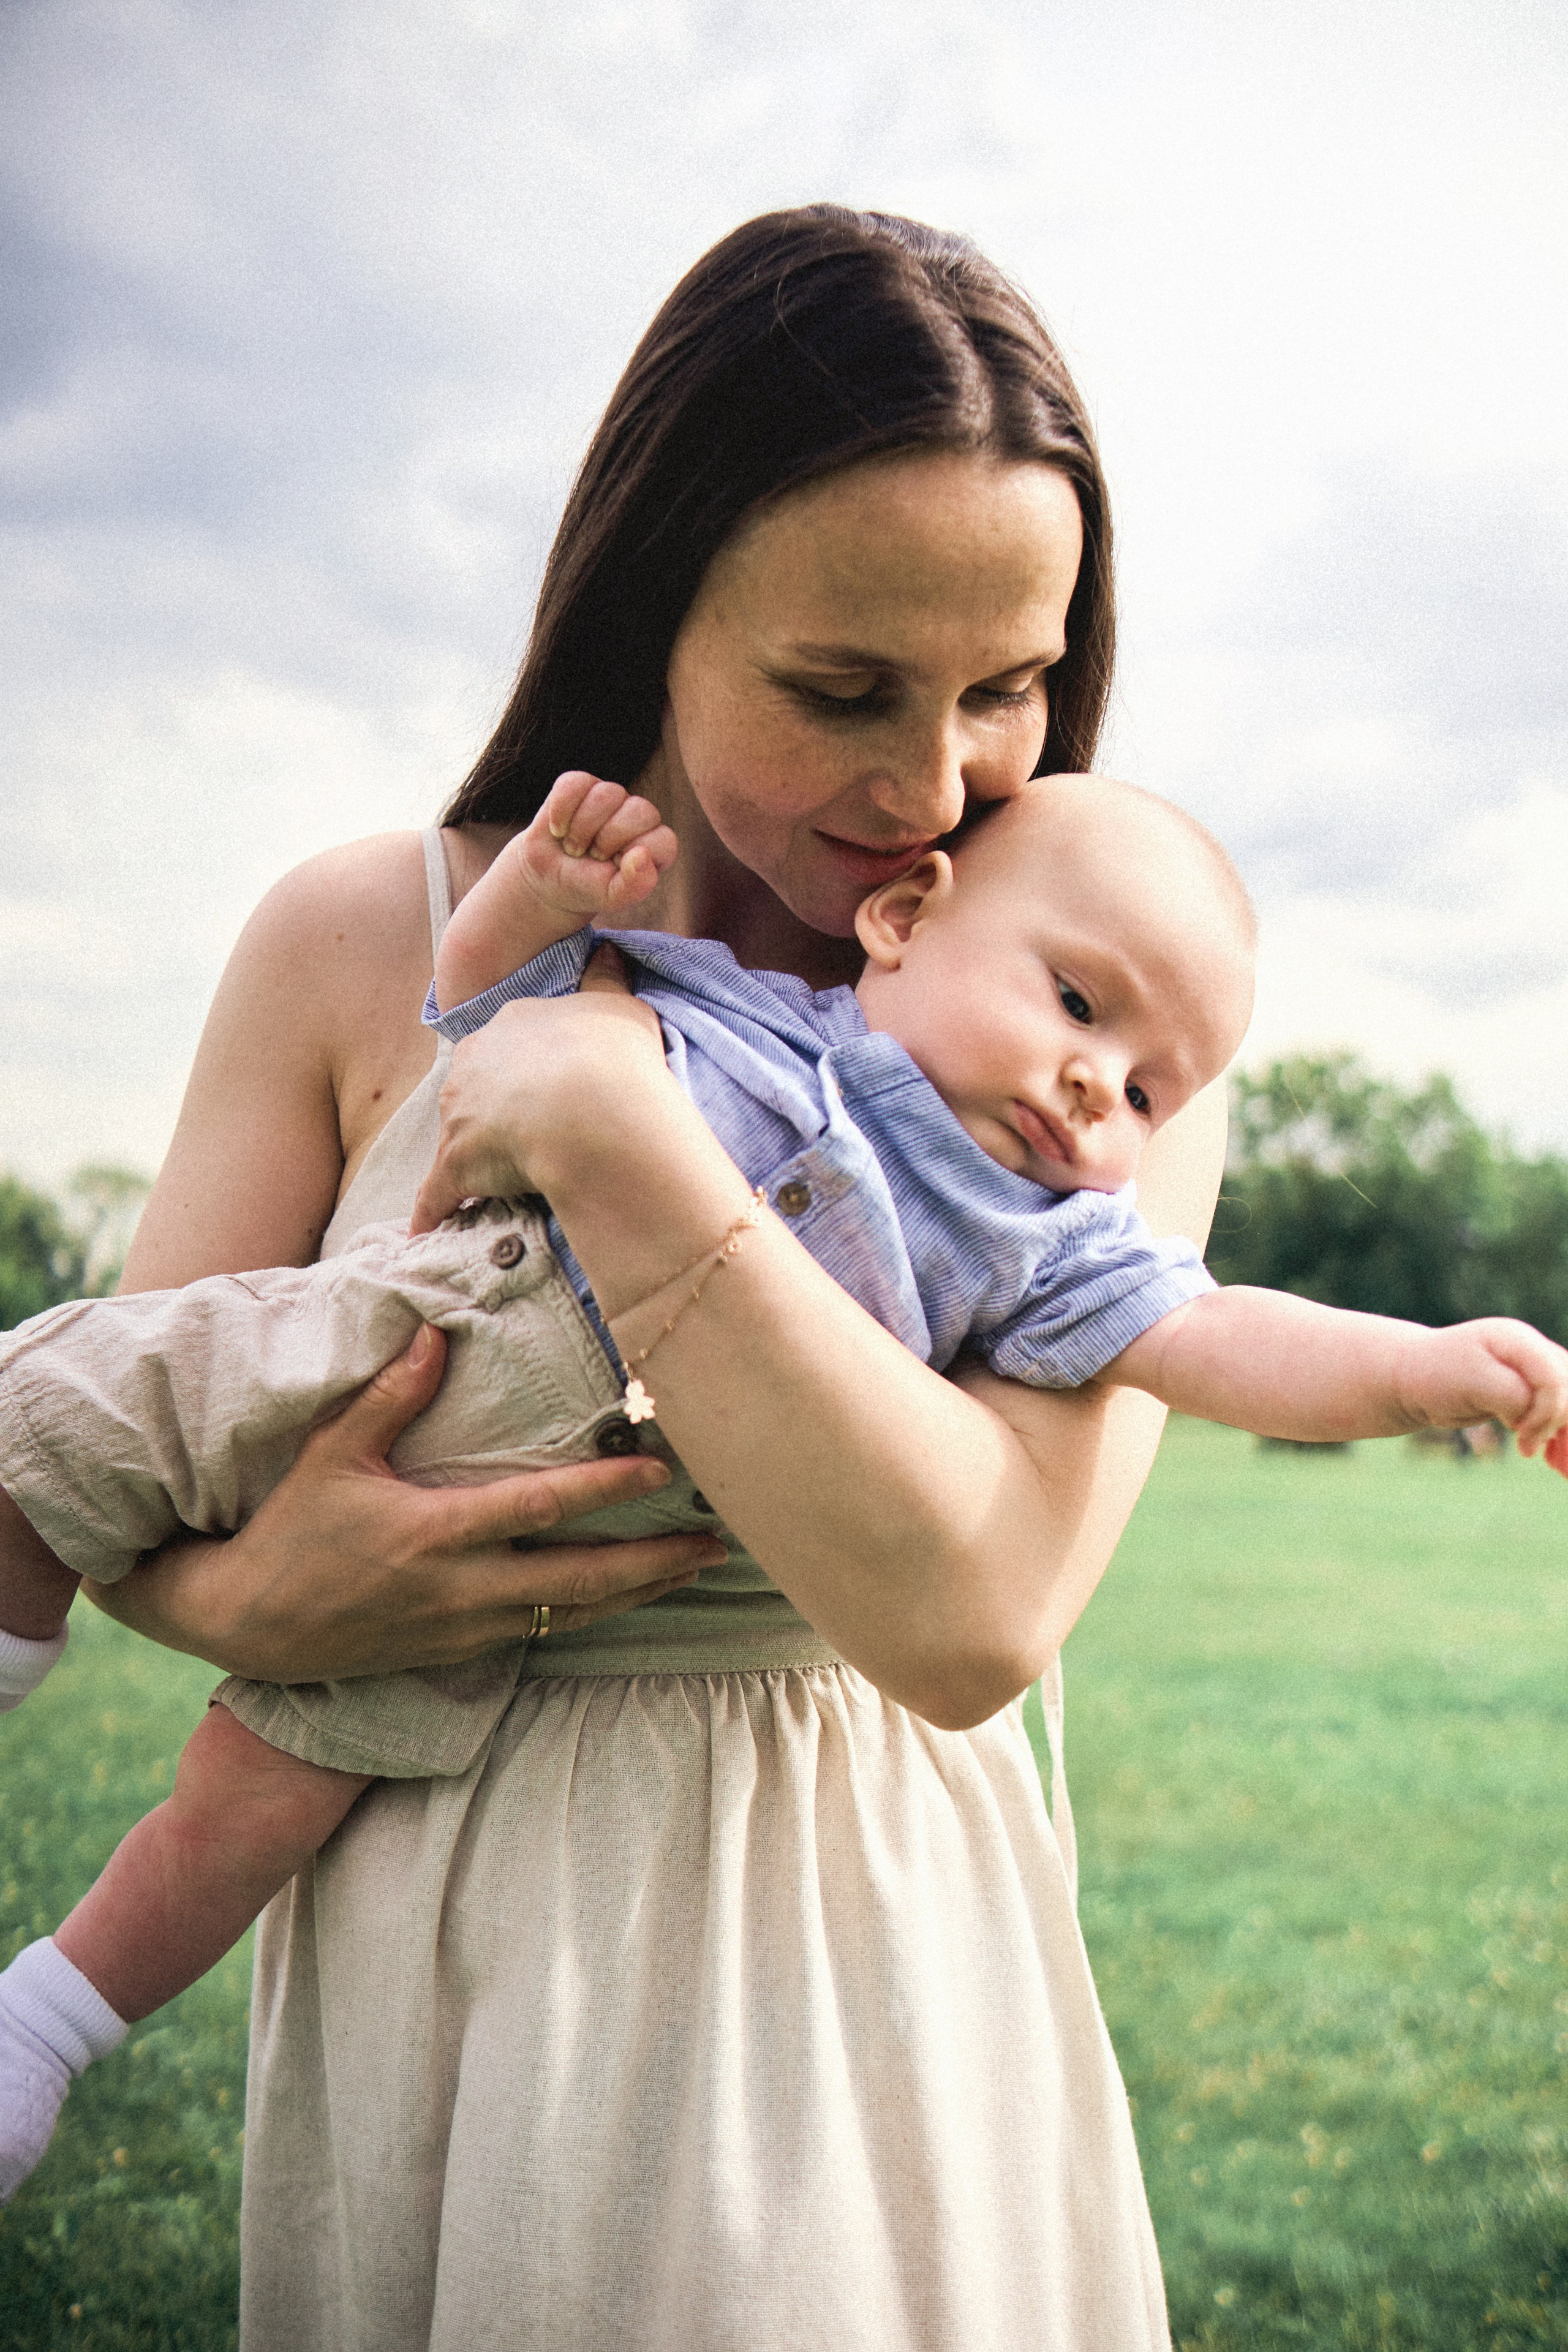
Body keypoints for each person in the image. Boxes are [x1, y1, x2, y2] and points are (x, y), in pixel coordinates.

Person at [1, 206, 1268, 2349]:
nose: (931, 782)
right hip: (444, 1919)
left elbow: (974, 1610)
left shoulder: (1108, 1048)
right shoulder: (357, 936)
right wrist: (251, 1604)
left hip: (856, 1953)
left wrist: (603, 1122)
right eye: (840, 689)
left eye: (1012, 685)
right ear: (649, 609)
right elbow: (147, 1439)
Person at [3, 763, 1567, 2207]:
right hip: (374, 1348)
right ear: (899, 919)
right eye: (1078, 1004)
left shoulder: (1037, 1250)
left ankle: (50, 2021)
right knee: (63, 1405)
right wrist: (542, 893)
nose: (1101, 1089)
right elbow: (485, 1009)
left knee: (240, 1804)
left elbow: (1222, 1334)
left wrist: (1435, 1367)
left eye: (1150, 1091)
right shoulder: (736, 1017)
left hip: (504, 1586)